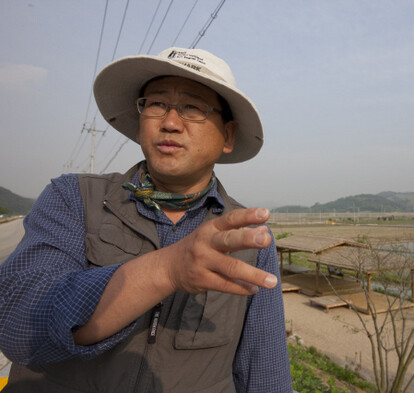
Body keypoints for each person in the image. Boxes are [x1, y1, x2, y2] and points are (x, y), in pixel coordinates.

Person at [0, 47, 293, 392]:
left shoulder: (249, 240)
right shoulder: (73, 197)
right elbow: (18, 328)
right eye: (156, 104)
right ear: (140, 123)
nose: (170, 122)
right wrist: (168, 270)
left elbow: (265, 378)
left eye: (193, 107)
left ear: (227, 136)